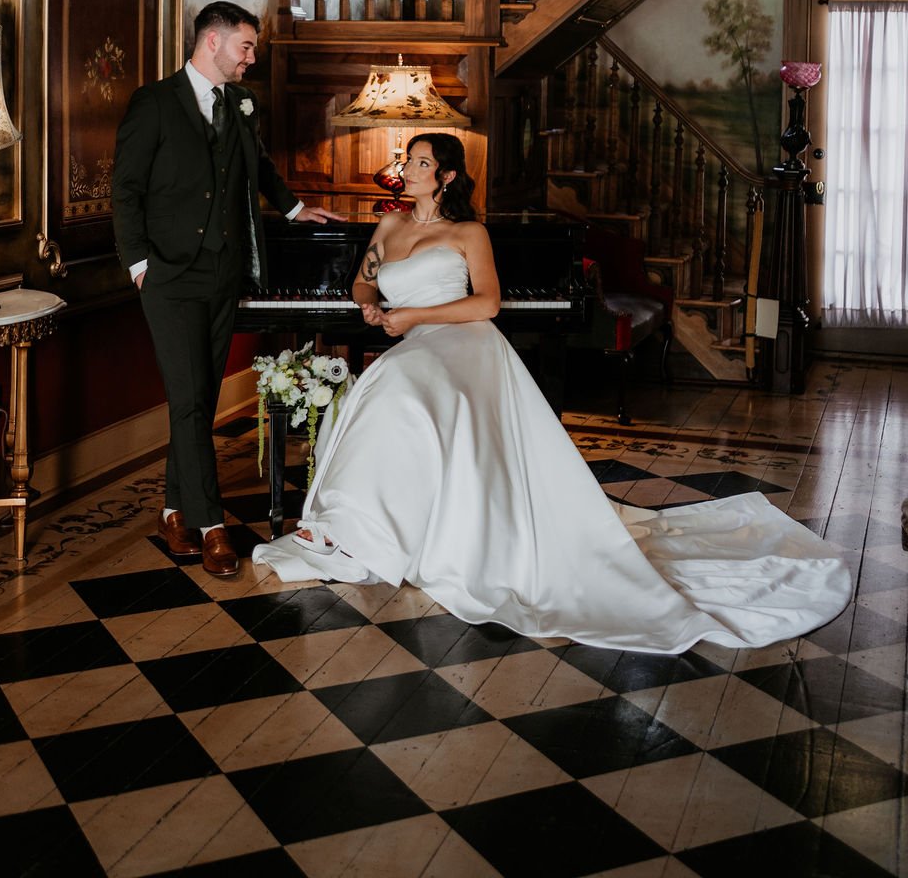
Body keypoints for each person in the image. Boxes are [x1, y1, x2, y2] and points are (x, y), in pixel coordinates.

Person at [253, 134, 852, 653]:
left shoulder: (470, 232)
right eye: (406, 161)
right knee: (382, 389)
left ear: (448, 177)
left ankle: (368, 529)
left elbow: (487, 303)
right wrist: (368, 301)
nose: (405, 170)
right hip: (413, 340)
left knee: (399, 389)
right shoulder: (388, 224)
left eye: (419, 163)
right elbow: (364, 277)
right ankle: (348, 526)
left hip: (462, 340)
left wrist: (411, 317)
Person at [112, 0, 335, 578]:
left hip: (222, 272)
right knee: (189, 401)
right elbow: (126, 191)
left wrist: (292, 208)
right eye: (246, 46)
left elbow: (256, 165)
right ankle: (211, 526)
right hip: (167, 276)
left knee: (200, 399)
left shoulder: (240, 104)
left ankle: (171, 509)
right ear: (213, 42)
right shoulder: (154, 103)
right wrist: (139, 266)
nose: (251, 58)